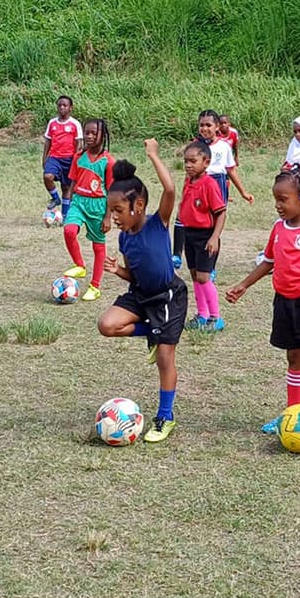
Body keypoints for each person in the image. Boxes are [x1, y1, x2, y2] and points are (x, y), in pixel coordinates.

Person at [225, 167, 300, 444]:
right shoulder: (278, 228)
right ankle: (292, 412)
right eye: (275, 200)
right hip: (284, 302)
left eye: (283, 199)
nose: (278, 206)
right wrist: (244, 285)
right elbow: (269, 261)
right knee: (294, 358)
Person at [98, 139, 187, 443]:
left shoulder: (157, 223)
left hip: (167, 296)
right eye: (111, 211)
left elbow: (171, 190)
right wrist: (117, 271)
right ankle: (151, 331)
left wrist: (153, 156)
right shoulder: (124, 240)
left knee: (165, 356)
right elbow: (132, 274)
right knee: (107, 325)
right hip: (141, 294)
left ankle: (165, 416)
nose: (115, 217)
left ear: (137, 206)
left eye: (119, 210)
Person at [172, 110, 253, 270]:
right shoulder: (195, 146)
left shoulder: (224, 147)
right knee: (182, 217)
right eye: (201, 125)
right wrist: (184, 193)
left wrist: (243, 192)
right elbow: (188, 173)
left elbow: (231, 170)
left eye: (208, 125)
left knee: (213, 223)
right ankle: (177, 254)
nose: (205, 128)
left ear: (217, 127)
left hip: (216, 183)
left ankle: (210, 264)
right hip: (196, 183)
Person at [61, 118, 115, 301]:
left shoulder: (108, 161)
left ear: (103, 135)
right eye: (87, 132)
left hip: (98, 206)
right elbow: (72, 182)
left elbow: (112, 191)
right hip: (79, 202)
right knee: (69, 230)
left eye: (94, 133)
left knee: (98, 247)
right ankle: (80, 265)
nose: (90, 136)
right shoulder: (78, 156)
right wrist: (67, 205)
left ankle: (95, 286)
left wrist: (108, 217)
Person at [178, 141, 228, 331]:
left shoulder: (209, 184)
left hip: (206, 236)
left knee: (204, 276)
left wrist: (214, 237)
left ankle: (216, 317)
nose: (188, 165)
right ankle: (202, 314)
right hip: (189, 234)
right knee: (194, 275)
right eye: (186, 161)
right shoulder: (188, 181)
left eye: (193, 161)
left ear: (206, 162)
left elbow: (220, 213)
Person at [43, 95, 83, 218]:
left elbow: (79, 143)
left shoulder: (75, 124)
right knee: (47, 176)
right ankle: (55, 198)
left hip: (69, 159)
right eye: (59, 105)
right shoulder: (52, 123)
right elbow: (48, 141)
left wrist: (76, 161)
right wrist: (44, 158)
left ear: (70, 108)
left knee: (66, 188)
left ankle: (65, 216)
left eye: (65, 105)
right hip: (54, 157)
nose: (61, 107)